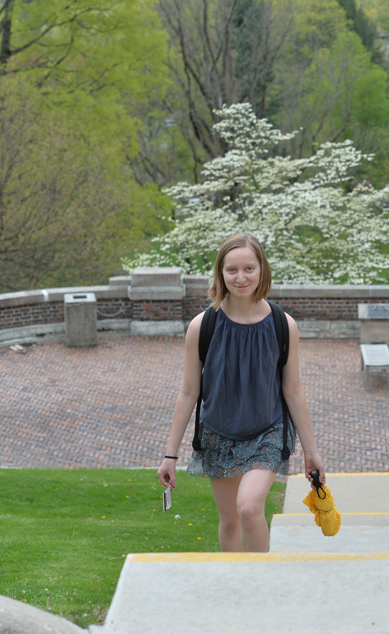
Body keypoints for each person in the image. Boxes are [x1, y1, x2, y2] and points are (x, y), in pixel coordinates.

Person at [157, 233, 325, 552]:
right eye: (232, 270)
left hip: (267, 432)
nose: (241, 277)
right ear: (220, 273)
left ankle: (260, 585)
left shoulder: (282, 325)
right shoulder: (201, 326)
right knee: (230, 519)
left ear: (262, 269)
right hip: (218, 434)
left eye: (249, 268)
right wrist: (170, 455)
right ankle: (233, 584)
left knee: (249, 508)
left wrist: (311, 451)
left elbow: (293, 391)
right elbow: (188, 392)